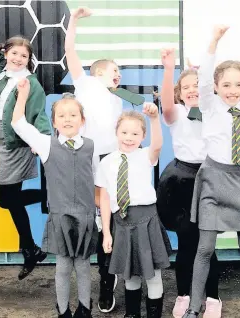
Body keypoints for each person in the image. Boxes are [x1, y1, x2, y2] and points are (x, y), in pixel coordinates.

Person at [182, 25, 240, 318]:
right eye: (226, 85)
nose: (232, 91)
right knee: (205, 248)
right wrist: (214, 41)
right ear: (216, 87)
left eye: (238, 85)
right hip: (212, 180)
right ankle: (194, 308)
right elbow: (204, 77)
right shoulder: (209, 105)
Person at [65, 7, 145, 312]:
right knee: (96, 224)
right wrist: (74, 19)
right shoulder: (85, 84)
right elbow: (70, 49)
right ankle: (103, 279)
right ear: (98, 72)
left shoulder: (117, 98)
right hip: (88, 161)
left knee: (111, 221)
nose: (119, 74)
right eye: (115, 70)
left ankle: (112, 276)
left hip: (113, 162)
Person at [0, 0, 51, 280]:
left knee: (6, 199)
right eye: (14, 53)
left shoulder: (30, 83)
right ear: (7, 54)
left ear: (29, 60)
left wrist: (42, 143)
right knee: (11, 199)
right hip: (1, 142)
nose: (17, 59)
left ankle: (45, 208)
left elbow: (39, 115)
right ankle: (30, 249)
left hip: (16, 145)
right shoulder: (2, 69)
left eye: (23, 56)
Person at [12, 80, 100, 317]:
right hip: (61, 216)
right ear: (54, 122)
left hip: (85, 216)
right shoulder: (46, 144)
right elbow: (18, 124)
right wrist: (23, 95)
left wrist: (100, 216)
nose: (68, 119)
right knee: (62, 266)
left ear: (82, 120)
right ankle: (63, 311)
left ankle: (84, 308)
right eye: (62, 115)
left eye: (73, 114)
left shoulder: (91, 147)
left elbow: (97, 183)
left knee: (83, 265)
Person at [156, 48, 222, 318]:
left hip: (210, 179)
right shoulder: (177, 115)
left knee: (207, 245)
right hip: (181, 182)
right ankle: (184, 294)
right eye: (186, 87)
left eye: (197, 85)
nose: (193, 90)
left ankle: (213, 297)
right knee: (186, 244)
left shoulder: (216, 113)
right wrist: (170, 67)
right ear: (179, 93)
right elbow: (168, 106)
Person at [98, 106, 171, 318]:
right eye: (124, 132)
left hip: (146, 221)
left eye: (135, 134)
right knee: (130, 275)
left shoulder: (144, 156)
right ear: (116, 132)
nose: (129, 138)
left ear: (142, 136)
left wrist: (155, 118)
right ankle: (132, 314)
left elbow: (157, 145)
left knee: (153, 275)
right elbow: (104, 198)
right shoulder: (107, 162)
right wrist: (106, 233)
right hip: (121, 223)